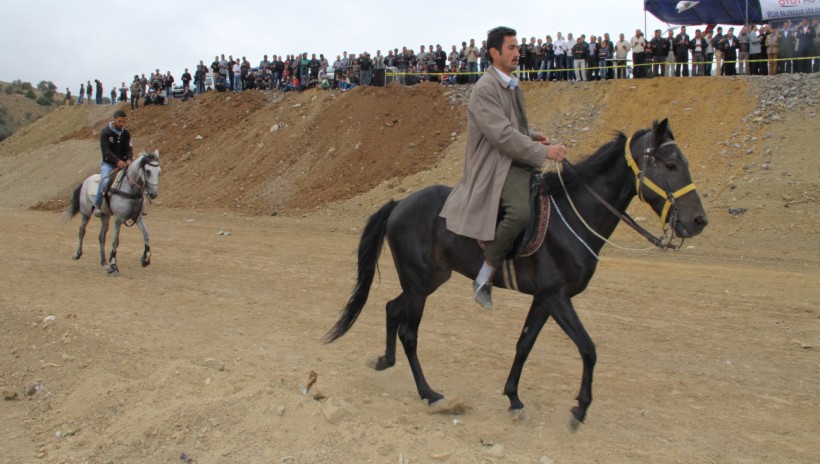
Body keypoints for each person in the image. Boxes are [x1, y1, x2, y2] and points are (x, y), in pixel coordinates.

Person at [439, 26, 567, 309]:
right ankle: (484, 275)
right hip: (495, 163)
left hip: (513, 156)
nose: (518, 53)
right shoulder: (485, 88)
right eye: (511, 48)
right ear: (494, 52)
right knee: (520, 213)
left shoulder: (510, 83)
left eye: (518, 48)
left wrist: (532, 135)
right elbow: (502, 136)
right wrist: (544, 151)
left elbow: (513, 127)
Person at [93, 109, 133, 217]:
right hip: (109, 164)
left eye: (124, 121)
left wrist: (129, 158)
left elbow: (128, 148)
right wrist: (117, 160)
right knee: (105, 181)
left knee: (135, 179)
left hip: (124, 164)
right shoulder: (106, 132)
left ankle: (136, 206)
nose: (122, 124)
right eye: (120, 121)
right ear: (114, 119)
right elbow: (106, 151)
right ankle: (97, 205)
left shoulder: (126, 133)